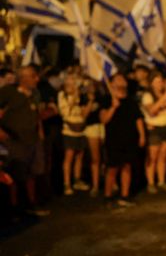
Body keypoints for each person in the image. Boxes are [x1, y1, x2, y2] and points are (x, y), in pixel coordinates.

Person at [0, 66, 49, 216]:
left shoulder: (34, 94)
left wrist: (40, 132)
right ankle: (14, 209)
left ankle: (30, 205)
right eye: (33, 76)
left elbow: (35, 114)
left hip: (32, 140)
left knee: (31, 174)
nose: (37, 79)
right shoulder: (8, 92)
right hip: (14, 141)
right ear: (23, 77)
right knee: (15, 175)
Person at [101, 74, 145, 206]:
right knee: (112, 169)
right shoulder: (107, 100)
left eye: (123, 80)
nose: (122, 82)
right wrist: (113, 107)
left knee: (127, 167)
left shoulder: (131, 101)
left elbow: (138, 119)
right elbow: (104, 119)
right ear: (112, 84)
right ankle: (108, 197)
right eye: (118, 80)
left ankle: (124, 196)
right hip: (114, 140)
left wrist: (142, 135)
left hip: (129, 140)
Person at [58, 74, 96, 195]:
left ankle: (77, 179)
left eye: (73, 83)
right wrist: (74, 96)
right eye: (69, 84)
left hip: (80, 130)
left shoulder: (81, 97)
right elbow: (65, 112)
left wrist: (90, 100)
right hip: (69, 131)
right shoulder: (62, 96)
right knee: (69, 156)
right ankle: (66, 183)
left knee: (80, 155)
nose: (72, 86)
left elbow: (84, 114)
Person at [141, 72, 166, 193]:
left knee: (163, 156)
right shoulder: (148, 95)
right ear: (151, 83)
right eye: (157, 82)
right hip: (155, 128)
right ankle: (150, 182)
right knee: (152, 157)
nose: (160, 84)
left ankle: (161, 180)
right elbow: (151, 111)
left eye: (161, 81)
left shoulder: (164, 95)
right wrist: (163, 99)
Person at [82, 78, 106, 197]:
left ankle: (110, 183)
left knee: (106, 156)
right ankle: (95, 185)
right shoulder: (83, 98)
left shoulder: (102, 96)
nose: (91, 86)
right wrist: (90, 102)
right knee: (95, 158)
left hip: (103, 127)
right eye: (88, 84)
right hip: (91, 128)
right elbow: (84, 115)